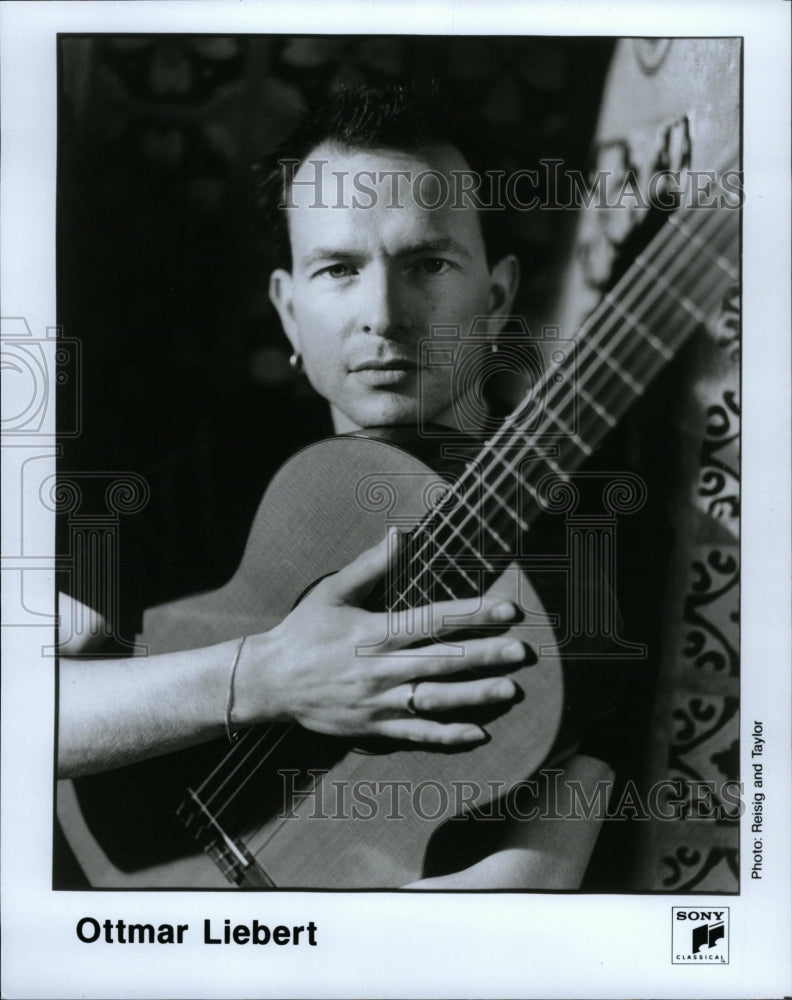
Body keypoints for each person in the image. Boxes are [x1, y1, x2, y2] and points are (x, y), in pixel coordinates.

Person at [57, 83, 614, 889]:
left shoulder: (588, 524)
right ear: (289, 312)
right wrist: (268, 675)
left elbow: (528, 884)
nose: (383, 314)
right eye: (339, 269)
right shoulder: (221, 472)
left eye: (428, 263)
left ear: (495, 299)